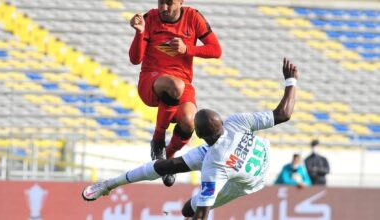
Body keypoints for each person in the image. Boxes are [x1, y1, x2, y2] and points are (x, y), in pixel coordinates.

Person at [83, 58, 298, 220]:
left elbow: (202, 214)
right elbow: (283, 114)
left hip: (250, 181)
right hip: (243, 157)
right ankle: (109, 184)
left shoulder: (214, 165)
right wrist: (291, 80)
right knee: (167, 166)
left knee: (189, 209)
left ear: (201, 137)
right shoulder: (236, 122)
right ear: (221, 122)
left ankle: (112, 185)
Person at [129, 0, 222, 187]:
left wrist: (188, 49)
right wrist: (139, 33)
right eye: (160, 2)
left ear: (181, 1)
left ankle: (168, 159)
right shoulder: (150, 18)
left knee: (189, 121)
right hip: (152, 80)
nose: (163, 8)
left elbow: (216, 50)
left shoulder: (194, 17)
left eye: (169, 3)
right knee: (175, 86)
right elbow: (135, 59)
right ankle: (158, 140)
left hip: (182, 82)